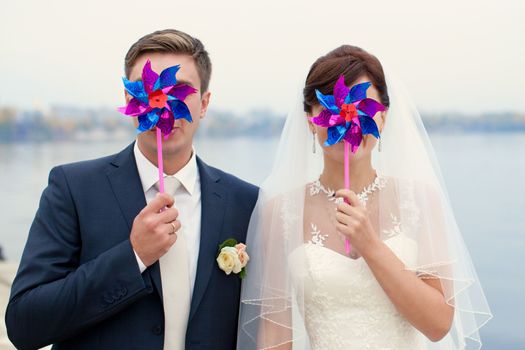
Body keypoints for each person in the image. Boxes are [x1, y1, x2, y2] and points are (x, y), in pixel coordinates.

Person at [6, 29, 258, 350]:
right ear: (129, 99)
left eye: (180, 90)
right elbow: (25, 324)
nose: (164, 101)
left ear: (204, 103)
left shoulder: (246, 202)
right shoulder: (72, 188)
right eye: (150, 89)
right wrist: (134, 255)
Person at [237, 45, 491, 349]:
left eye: (364, 109)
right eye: (332, 109)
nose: (348, 122)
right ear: (310, 119)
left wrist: (370, 245)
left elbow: (438, 325)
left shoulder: (419, 199)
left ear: (382, 118)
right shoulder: (281, 211)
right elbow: (276, 334)